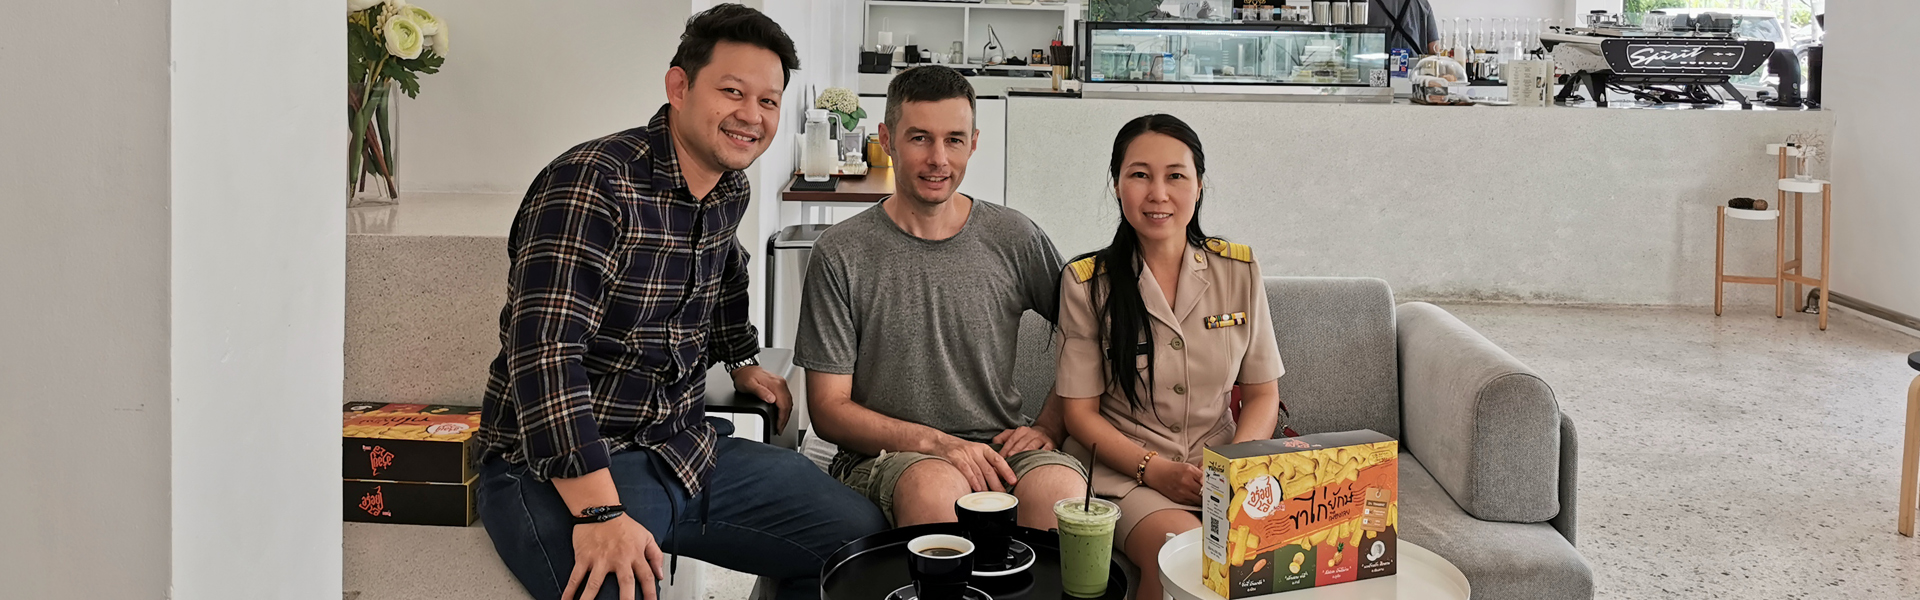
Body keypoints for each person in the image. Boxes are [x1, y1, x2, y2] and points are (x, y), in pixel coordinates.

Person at [473, 5, 885, 600]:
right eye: (733, 92)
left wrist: (743, 358)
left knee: (858, 540)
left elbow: (724, 273)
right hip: (561, 468)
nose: (752, 116)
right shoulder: (592, 185)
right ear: (679, 86)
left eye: (769, 102)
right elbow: (544, 357)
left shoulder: (727, 188)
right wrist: (598, 516)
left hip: (680, 446)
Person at [794, 65, 1090, 530]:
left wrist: (1051, 424)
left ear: (973, 142)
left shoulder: (1014, 236)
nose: (939, 158)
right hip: (894, 458)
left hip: (1001, 448)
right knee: (937, 490)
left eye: (954, 139)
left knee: (1061, 494)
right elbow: (829, 410)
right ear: (887, 139)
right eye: (919, 138)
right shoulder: (840, 252)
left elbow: (1087, 332)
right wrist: (939, 444)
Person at [1054, 114, 1289, 600]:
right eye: (1140, 174)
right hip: (1127, 476)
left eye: (1175, 176)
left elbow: (1264, 394)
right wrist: (1155, 470)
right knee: (1188, 558)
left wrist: (1233, 469)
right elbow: (1079, 413)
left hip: (1223, 468)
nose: (1158, 193)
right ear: (1117, 185)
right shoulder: (1086, 283)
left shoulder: (1238, 270)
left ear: (1199, 186)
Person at [1368, 0, 1444, 55]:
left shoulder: (1368, 3)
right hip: (1414, 70)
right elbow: (1434, 48)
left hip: (1380, 68)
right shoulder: (1422, 3)